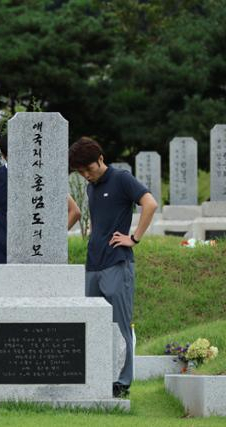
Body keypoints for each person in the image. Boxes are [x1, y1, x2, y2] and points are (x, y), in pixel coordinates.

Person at [68, 137, 158, 398]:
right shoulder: (91, 187)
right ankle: (96, 377)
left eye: (89, 169)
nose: (86, 175)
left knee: (120, 324)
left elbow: (150, 203)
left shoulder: (122, 179)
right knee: (93, 324)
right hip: (93, 263)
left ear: (100, 159)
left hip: (118, 262)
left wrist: (134, 238)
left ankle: (121, 382)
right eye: (80, 172)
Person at [0, 132, 81, 294]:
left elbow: (75, 211)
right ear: (5, 155)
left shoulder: (41, 176)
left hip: (36, 259)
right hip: (2, 257)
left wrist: (55, 240)